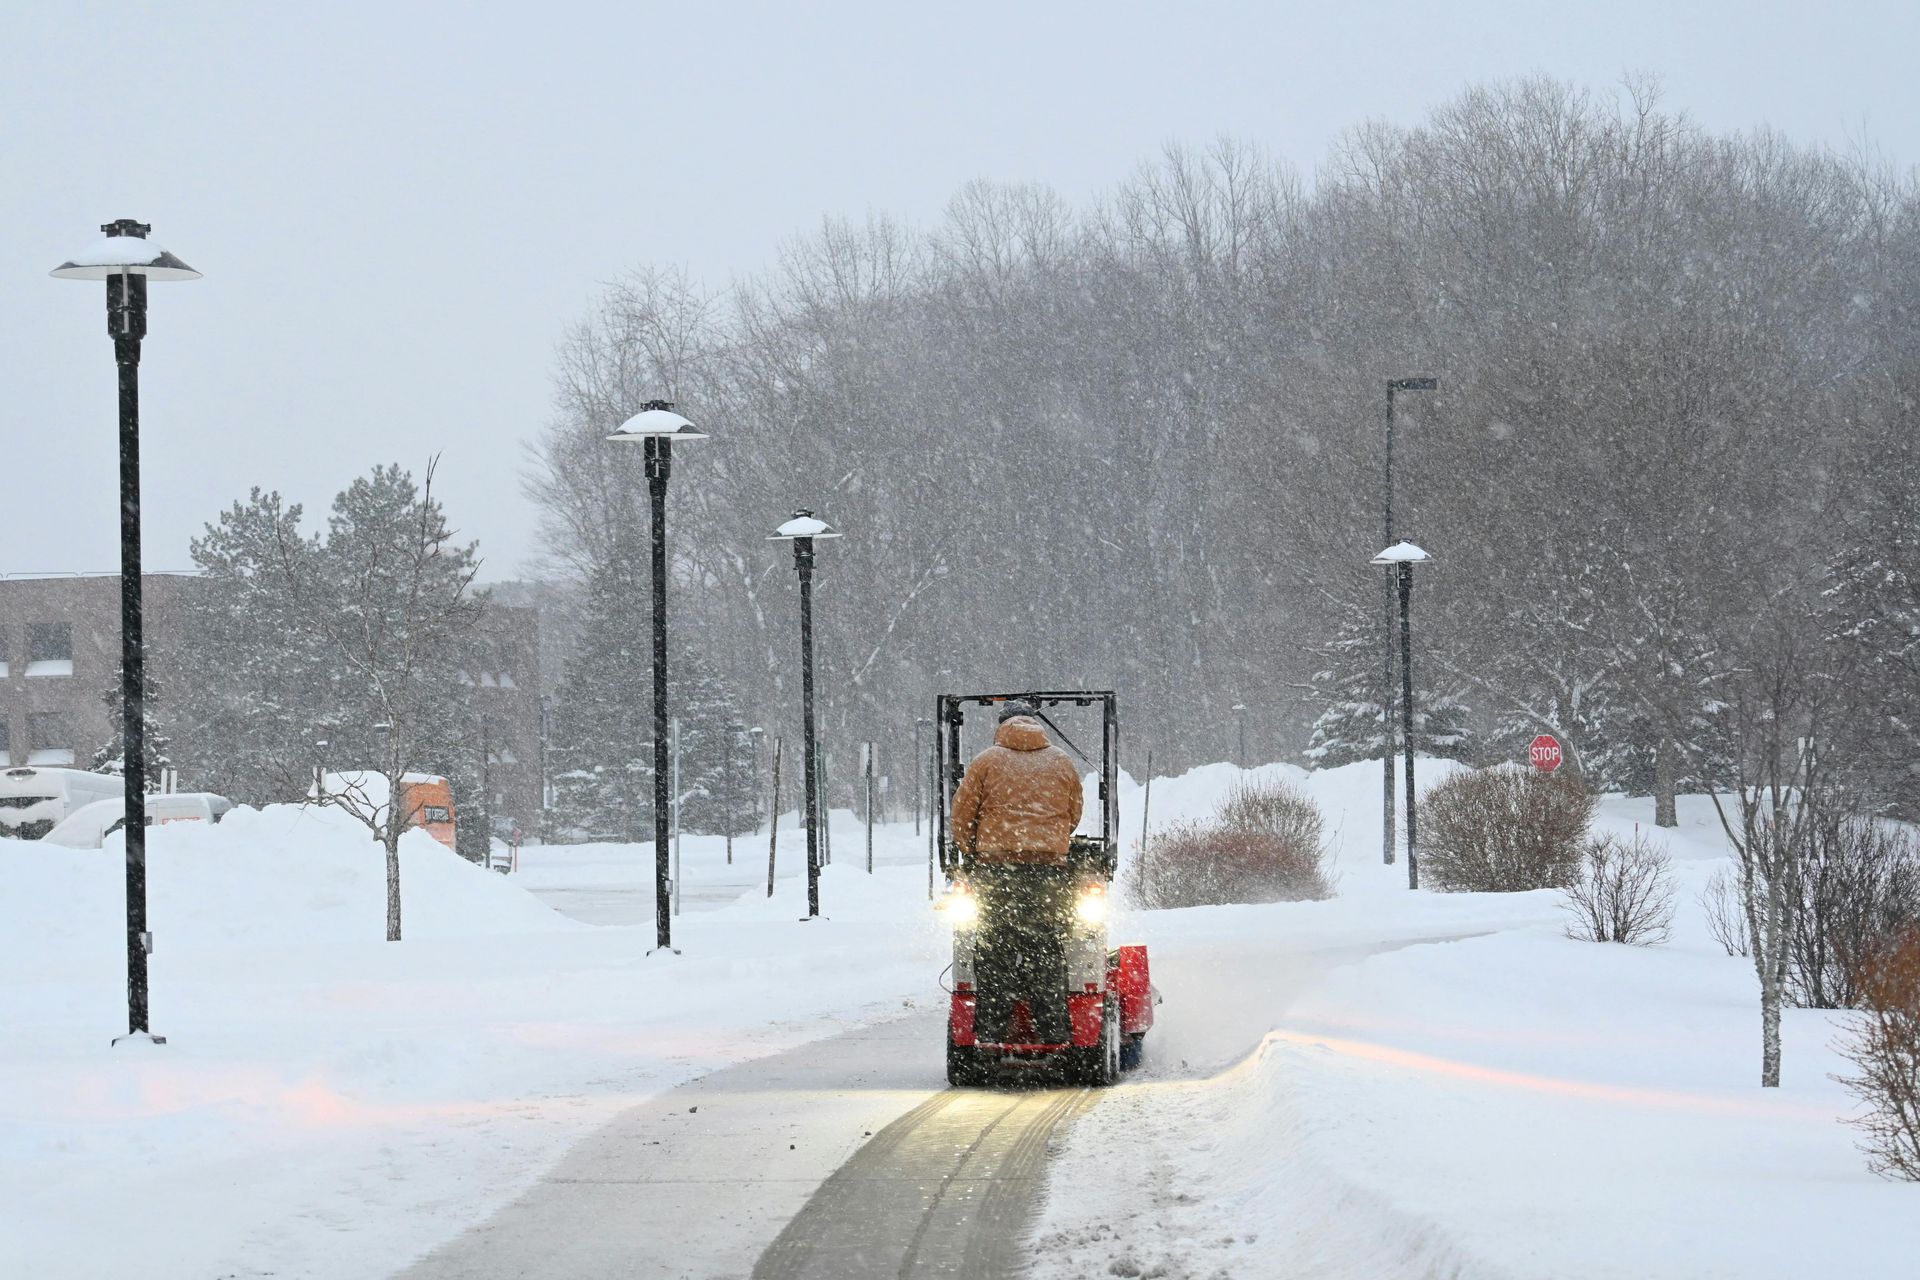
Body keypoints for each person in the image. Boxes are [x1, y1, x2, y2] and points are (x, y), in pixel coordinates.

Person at [949, 701, 1084, 866]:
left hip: (994, 860)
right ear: (1035, 723)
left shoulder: (985, 761)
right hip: (1050, 860)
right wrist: (1054, 835)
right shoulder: (1061, 761)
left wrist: (970, 848)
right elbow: (1074, 810)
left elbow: (962, 813)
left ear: (1002, 724)